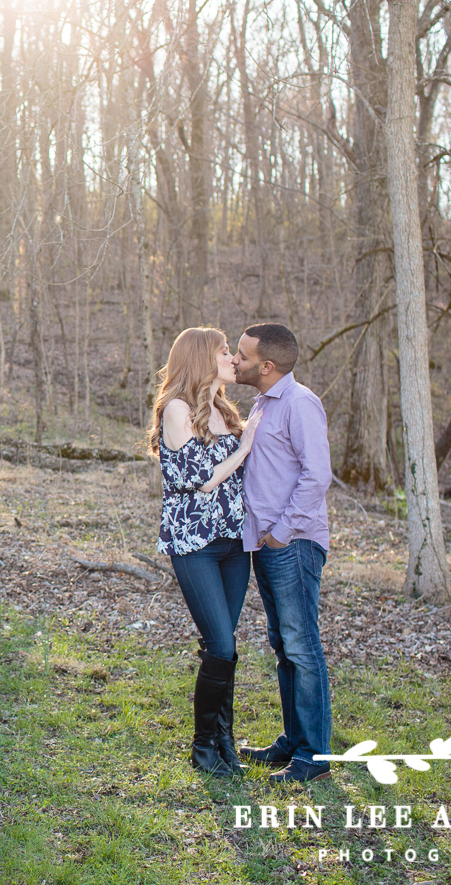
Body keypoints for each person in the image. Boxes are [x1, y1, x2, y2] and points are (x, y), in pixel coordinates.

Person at [149, 327, 263, 778]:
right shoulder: (176, 409)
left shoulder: (222, 408)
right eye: (224, 352)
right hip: (194, 545)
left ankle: (225, 744)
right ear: (201, 358)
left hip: (233, 545)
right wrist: (246, 445)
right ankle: (202, 749)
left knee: (226, 649)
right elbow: (202, 479)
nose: (233, 359)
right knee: (219, 644)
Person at [231, 322, 334, 782]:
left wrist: (281, 532)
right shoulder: (262, 405)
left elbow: (317, 476)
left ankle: (314, 756)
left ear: (267, 366)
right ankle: (292, 742)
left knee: (301, 645)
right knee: (283, 644)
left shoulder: (299, 404)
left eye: (242, 355)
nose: (235, 361)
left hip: (292, 543)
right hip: (266, 543)